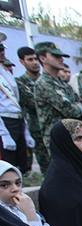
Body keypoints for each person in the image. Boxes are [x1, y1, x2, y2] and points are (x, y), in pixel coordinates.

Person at [33, 42, 82, 150]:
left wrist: (78, 106)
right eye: (56, 56)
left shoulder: (63, 83)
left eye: (61, 56)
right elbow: (70, 111)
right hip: (57, 141)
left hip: (73, 135)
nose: (61, 59)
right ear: (43, 58)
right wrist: (78, 106)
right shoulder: (44, 83)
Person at [0, 44, 33, 173]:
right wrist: (3, 133)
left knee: (22, 165)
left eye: (3, 49)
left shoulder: (5, 72)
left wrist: (26, 131)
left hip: (17, 121)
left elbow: (16, 103)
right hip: (5, 122)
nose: (2, 52)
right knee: (8, 165)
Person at [16, 46, 49, 173]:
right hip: (38, 131)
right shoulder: (21, 82)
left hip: (55, 128)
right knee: (47, 168)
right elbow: (33, 102)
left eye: (36, 59)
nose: (35, 62)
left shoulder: (47, 79)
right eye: (30, 60)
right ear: (22, 62)